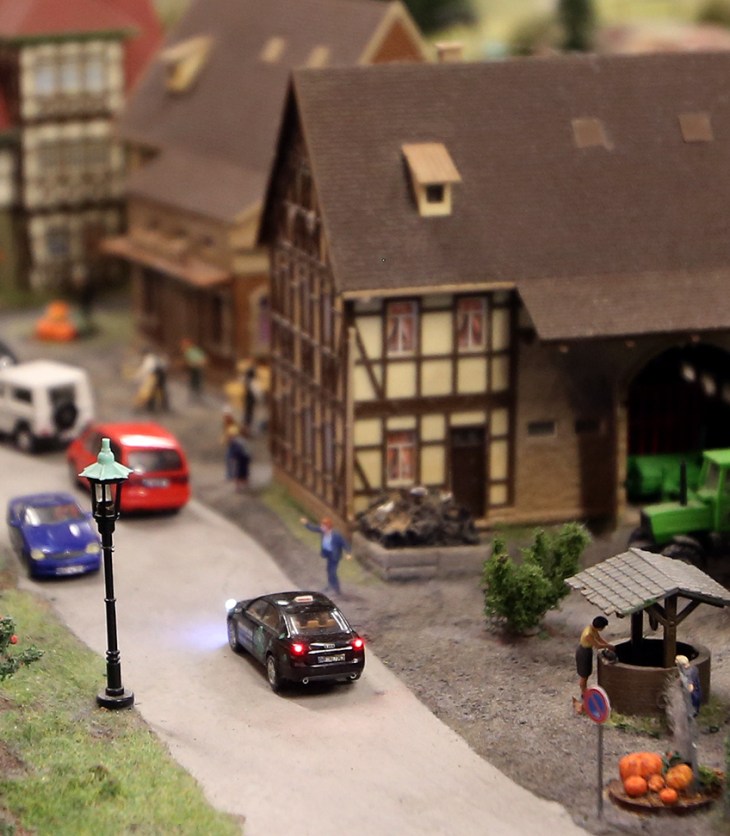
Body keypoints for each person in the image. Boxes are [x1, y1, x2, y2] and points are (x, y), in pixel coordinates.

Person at [299, 516, 350, 596]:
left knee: (332, 572)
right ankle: (330, 585)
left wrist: (348, 553)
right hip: (328, 554)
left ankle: (337, 589)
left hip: (334, 555)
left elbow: (344, 543)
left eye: (323, 526)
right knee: (328, 570)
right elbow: (313, 528)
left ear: (328, 527)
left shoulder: (336, 535)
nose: (321, 527)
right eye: (322, 526)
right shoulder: (322, 531)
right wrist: (306, 523)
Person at [573, 615, 614, 715]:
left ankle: (584, 693)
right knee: (584, 674)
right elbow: (597, 645)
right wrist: (608, 646)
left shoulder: (592, 629)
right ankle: (584, 693)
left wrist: (608, 645)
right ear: (599, 627)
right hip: (583, 652)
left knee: (587, 672)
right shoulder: (588, 634)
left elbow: (599, 638)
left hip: (588, 651)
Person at [226, 425, 251, 492]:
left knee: (239, 472)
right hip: (241, 458)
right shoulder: (241, 441)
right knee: (241, 472)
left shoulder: (238, 440)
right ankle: (241, 485)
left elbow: (233, 449)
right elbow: (246, 451)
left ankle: (239, 486)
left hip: (240, 458)